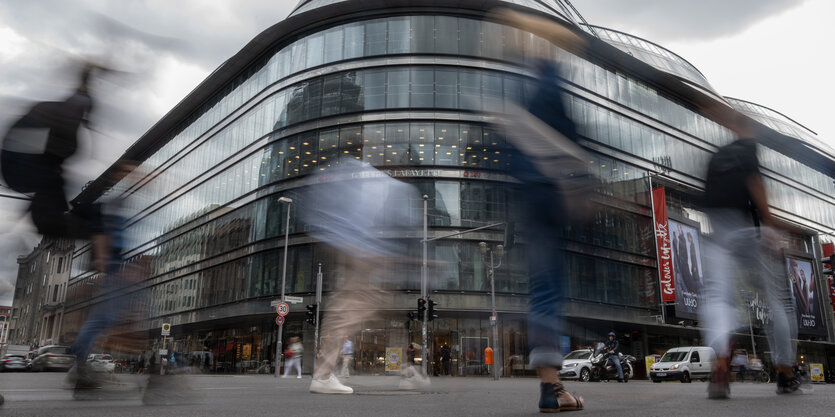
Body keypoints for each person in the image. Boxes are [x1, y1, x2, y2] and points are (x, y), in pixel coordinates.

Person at [492, 8, 590, 413]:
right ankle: (553, 391)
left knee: (543, 290)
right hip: (550, 193)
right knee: (550, 289)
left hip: (529, 195)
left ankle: (553, 388)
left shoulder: (522, 93)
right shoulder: (546, 86)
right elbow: (571, 145)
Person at [700, 113, 800, 399]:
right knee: (777, 300)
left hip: (719, 231)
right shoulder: (747, 148)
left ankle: (720, 364)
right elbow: (755, 183)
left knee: (719, 296)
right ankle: (785, 371)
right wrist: (769, 226)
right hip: (749, 229)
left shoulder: (717, 155)